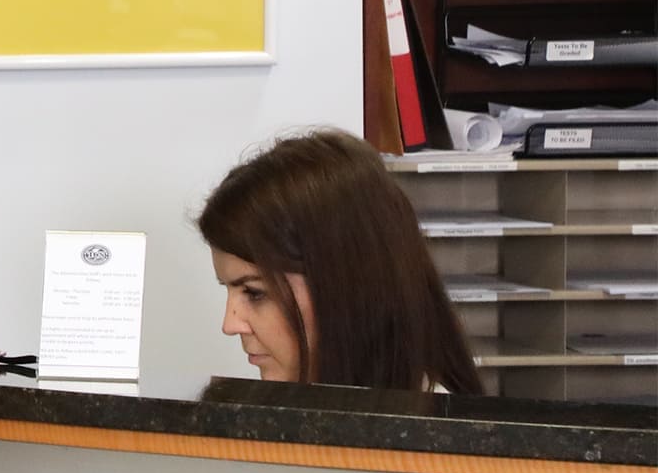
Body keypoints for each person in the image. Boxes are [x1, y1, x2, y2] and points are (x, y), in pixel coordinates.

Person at [198, 128, 484, 395]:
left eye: (254, 292)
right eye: (228, 289)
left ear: (346, 284)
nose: (230, 324)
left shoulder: (430, 440)